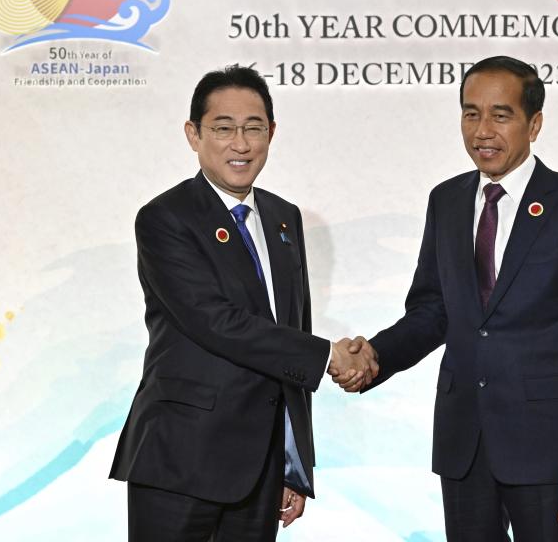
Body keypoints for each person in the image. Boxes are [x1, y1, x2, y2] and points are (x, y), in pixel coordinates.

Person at [340, 56, 558, 541]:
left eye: (500, 114)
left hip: (546, 448)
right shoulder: (446, 201)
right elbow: (433, 311)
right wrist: (376, 356)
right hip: (464, 442)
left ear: (534, 123)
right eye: (471, 113)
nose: (482, 130)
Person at [109, 64, 377, 542]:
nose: (241, 143)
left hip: (260, 470)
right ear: (193, 134)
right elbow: (217, 323)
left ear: (271, 132)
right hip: (180, 464)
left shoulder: (283, 218)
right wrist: (327, 356)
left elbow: (291, 325)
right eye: (223, 128)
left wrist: (293, 460)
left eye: (254, 128)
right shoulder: (165, 219)